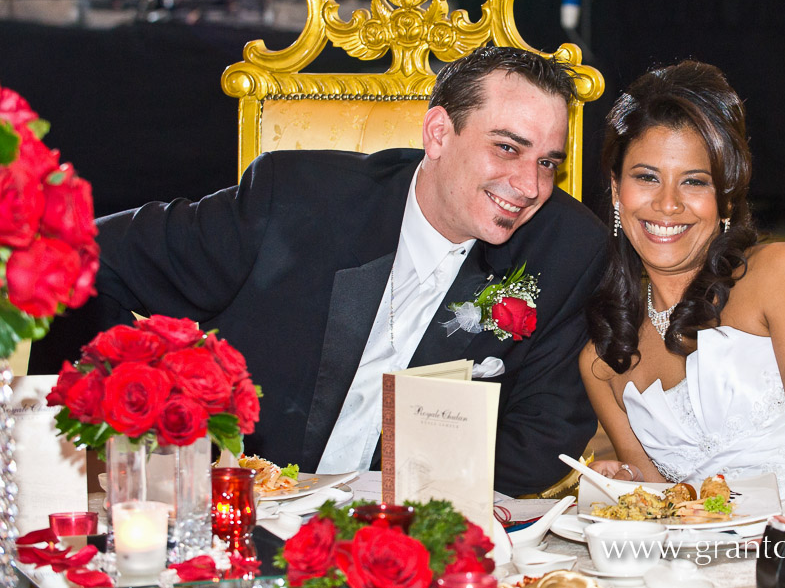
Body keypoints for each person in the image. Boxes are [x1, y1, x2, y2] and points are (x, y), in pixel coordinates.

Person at [29, 46, 608, 497]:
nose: (530, 186)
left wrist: (396, 503)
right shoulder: (298, 200)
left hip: (407, 529)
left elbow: (545, 432)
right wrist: (121, 402)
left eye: (547, 162)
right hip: (240, 507)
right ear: (438, 134)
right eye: (507, 148)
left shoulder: (564, 247)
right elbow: (88, 256)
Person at [579, 60, 785, 543]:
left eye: (694, 181)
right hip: (709, 565)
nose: (668, 204)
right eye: (646, 177)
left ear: (726, 200)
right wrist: (627, 491)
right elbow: (668, 508)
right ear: (616, 190)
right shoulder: (604, 363)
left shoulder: (783, 276)